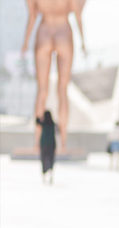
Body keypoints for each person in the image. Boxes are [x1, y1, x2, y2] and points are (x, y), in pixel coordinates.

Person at [21, 0, 86, 153]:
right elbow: (78, 15)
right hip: (64, 31)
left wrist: (25, 43)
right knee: (63, 90)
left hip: (44, 30)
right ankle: (63, 142)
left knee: (42, 90)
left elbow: (32, 16)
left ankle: (37, 142)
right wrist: (83, 42)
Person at [36, 110, 56, 184]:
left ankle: (44, 175)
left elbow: (37, 121)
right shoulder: (53, 124)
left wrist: (40, 116)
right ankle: (50, 173)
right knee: (50, 159)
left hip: (44, 144)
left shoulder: (43, 124)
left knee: (44, 159)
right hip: (51, 145)